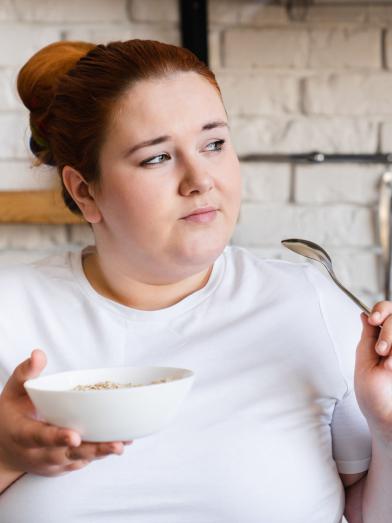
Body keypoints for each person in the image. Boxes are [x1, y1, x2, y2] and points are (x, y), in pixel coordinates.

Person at [0, 39, 391, 523]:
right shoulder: (10, 312)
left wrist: (389, 427)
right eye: (157, 158)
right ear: (85, 191)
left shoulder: (312, 304)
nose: (200, 179)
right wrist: (6, 457)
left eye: (214, 144)